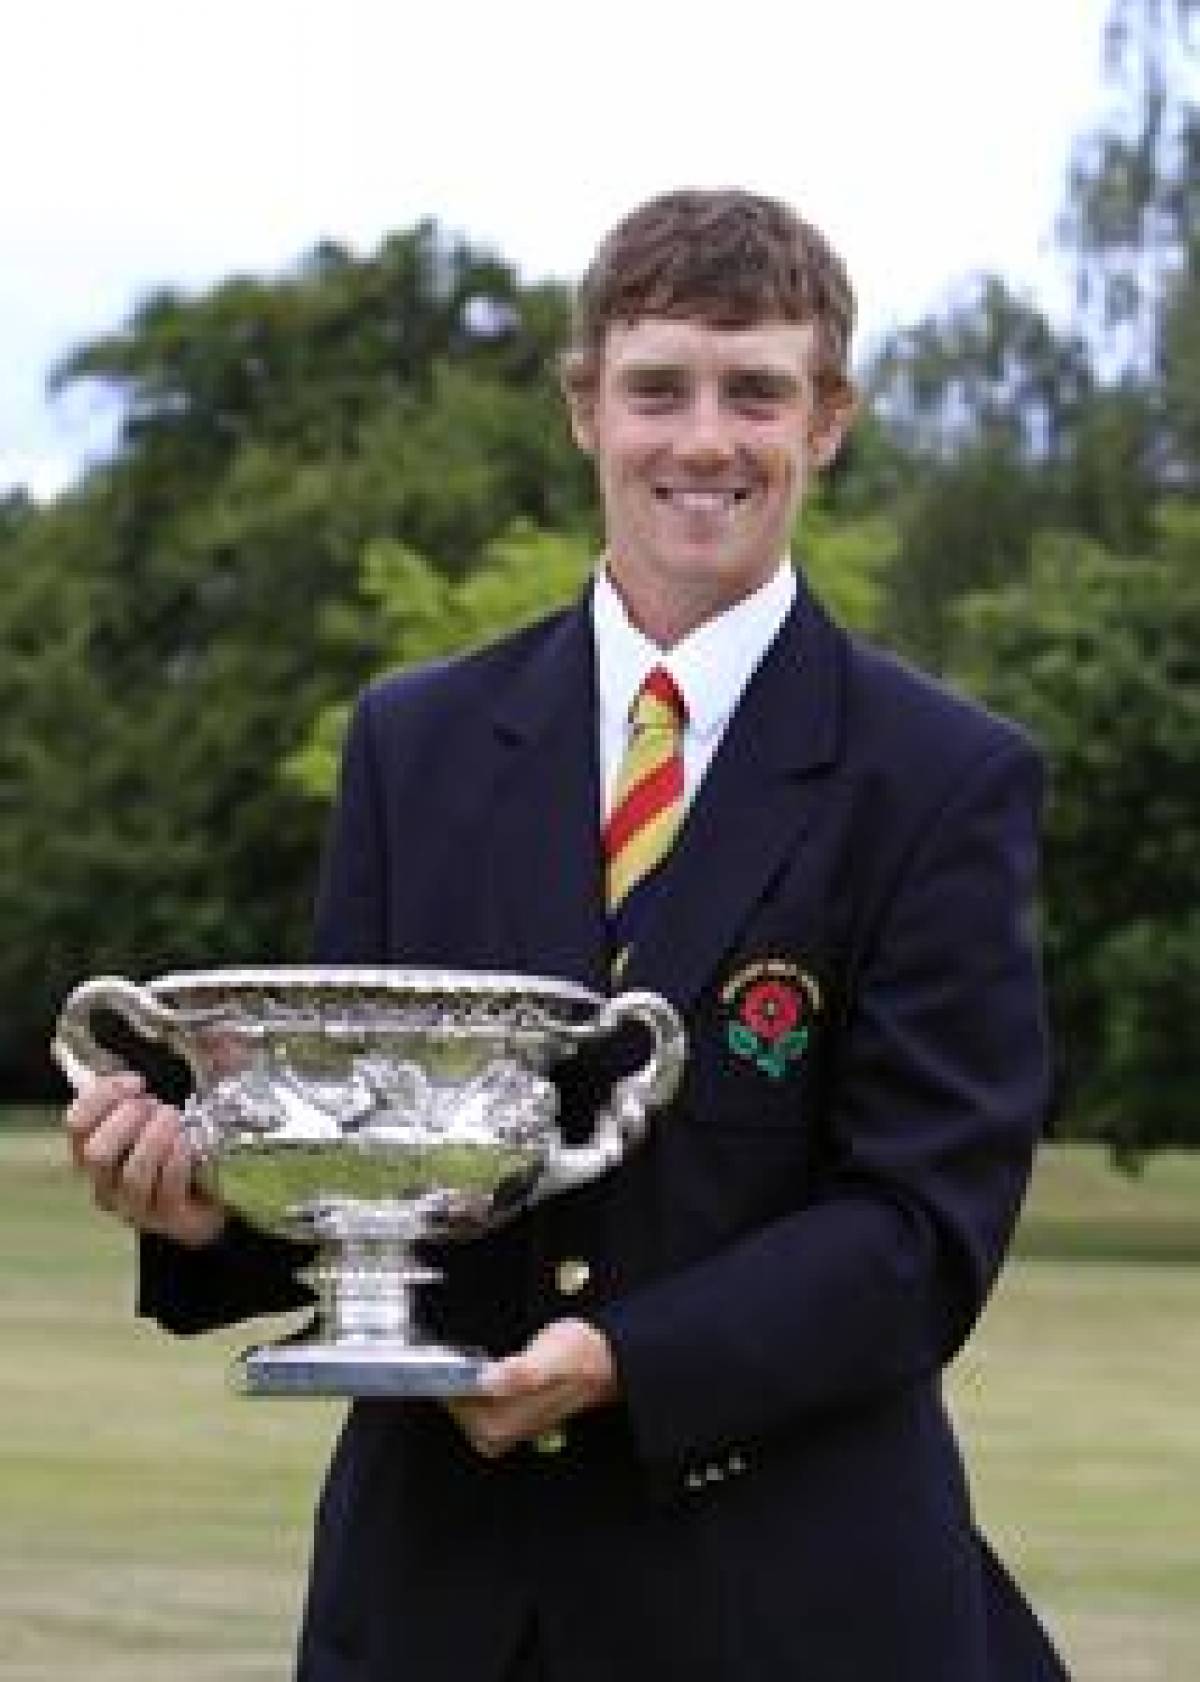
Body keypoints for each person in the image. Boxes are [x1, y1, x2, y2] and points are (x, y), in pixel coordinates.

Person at [65, 188, 1070, 1681]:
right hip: (438, 1605)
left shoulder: (941, 777)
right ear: (585, 406)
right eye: (657, 385)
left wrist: (625, 1361)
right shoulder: (413, 738)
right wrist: (206, 1208)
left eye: (758, 391)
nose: (704, 439)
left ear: (832, 418)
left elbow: (922, 1231)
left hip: (783, 1607)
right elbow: (360, 1144)